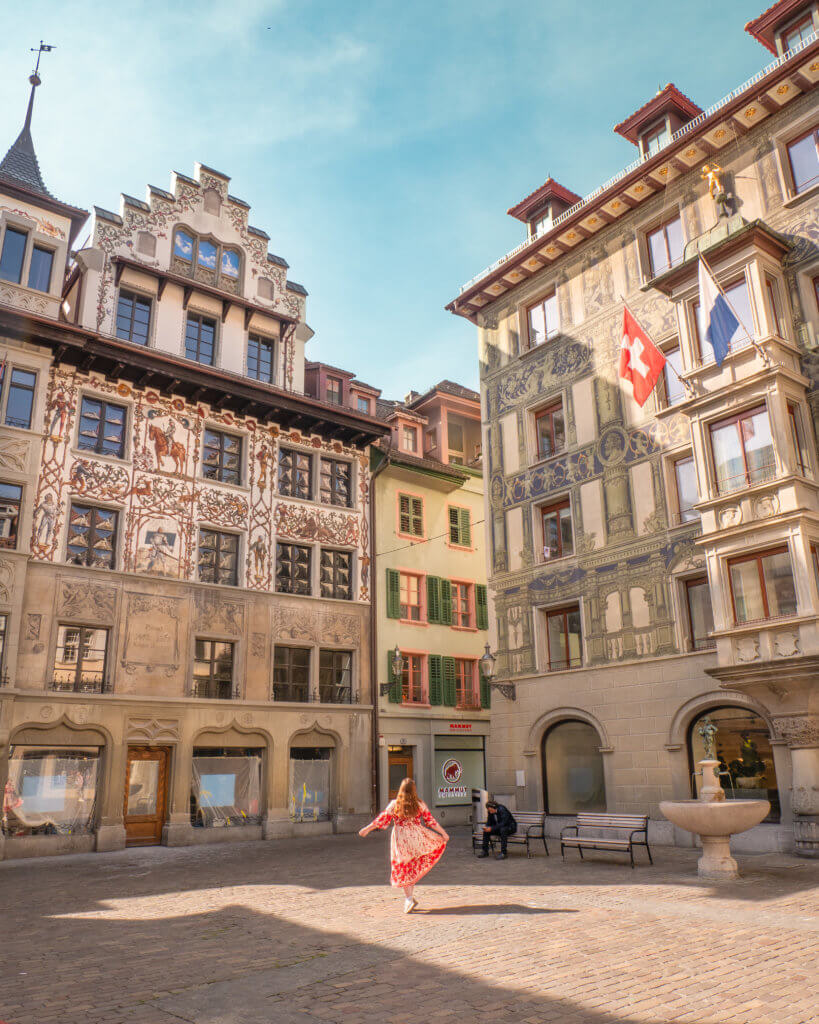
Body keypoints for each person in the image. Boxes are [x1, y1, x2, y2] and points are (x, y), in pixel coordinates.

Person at [359, 778, 449, 914]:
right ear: (414, 790)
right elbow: (431, 821)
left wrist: (367, 828)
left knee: (404, 867)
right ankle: (409, 899)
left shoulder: (395, 804)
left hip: (401, 839)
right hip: (416, 837)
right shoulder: (419, 804)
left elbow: (382, 819)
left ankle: (408, 898)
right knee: (412, 866)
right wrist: (443, 834)